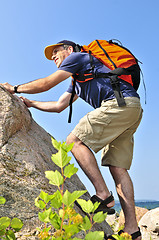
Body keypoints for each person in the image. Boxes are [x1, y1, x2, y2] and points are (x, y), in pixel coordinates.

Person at [0, 40, 142, 239]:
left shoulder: (78, 58)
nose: (54, 57)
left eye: (56, 51)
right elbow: (59, 105)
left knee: (73, 141)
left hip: (118, 104)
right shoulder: (79, 78)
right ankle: (132, 231)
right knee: (117, 167)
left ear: (70, 49)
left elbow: (47, 83)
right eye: (52, 56)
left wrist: (15, 88)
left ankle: (103, 195)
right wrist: (32, 104)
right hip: (131, 107)